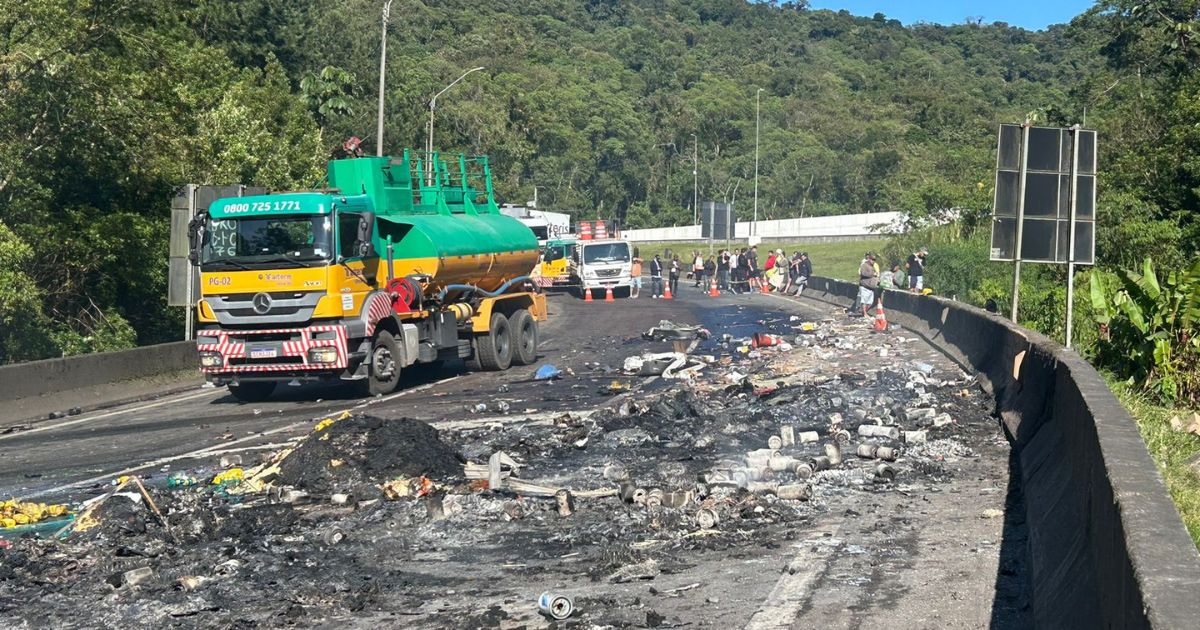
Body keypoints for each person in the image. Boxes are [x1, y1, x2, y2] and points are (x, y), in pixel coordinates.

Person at [859, 252, 879, 317]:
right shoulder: (864, 265)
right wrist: (873, 274)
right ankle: (865, 313)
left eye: (874, 260)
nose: (873, 261)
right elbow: (863, 273)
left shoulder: (872, 266)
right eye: (872, 259)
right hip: (865, 286)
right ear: (869, 259)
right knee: (864, 301)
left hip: (871, 287)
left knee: (870, 302)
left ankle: (864, 312)